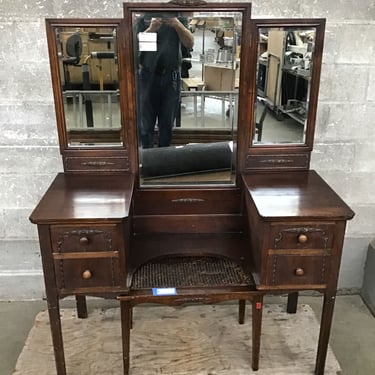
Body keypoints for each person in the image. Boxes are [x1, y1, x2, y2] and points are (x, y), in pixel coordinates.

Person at [136, 14, 194, 148]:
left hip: (171, 77)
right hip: (148, 75)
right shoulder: (144, 15)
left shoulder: (179, 16)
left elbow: (189, 43)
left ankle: (163, 162)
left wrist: (176, 24)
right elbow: (136, 45)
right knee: (145, 125)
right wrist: (152, 29)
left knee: (167, 125)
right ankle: (146, 161)